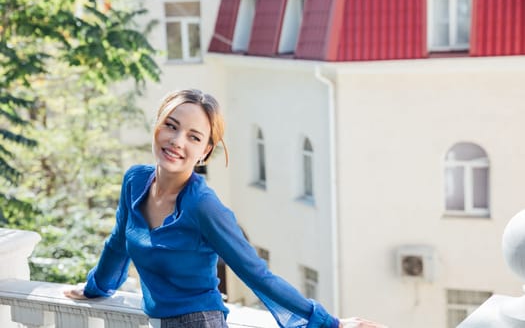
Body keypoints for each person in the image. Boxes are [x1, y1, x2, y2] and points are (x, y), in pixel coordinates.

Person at [64, 89, 386, 328]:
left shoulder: (203, 206)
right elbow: (118, 243)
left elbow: (255, 273)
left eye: (193, 137)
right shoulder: (134, 182)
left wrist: (329, 323)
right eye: (171, 126)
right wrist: (95, 287)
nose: (177, 141)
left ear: (205, 152)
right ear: (157, 126)